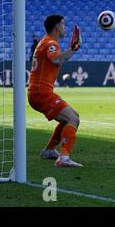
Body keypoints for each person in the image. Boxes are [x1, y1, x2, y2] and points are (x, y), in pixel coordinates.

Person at [28, 15, 83, 167]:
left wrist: (73, 49)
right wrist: (72, 48)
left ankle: (49, 150)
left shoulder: (45, 42)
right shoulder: (51, 43)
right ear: (57, 27)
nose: (65, 27)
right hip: (41, 92)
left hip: (39, 92)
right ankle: (64, 158)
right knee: (73, 120)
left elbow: (57, 59)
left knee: (73, 116)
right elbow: (56, 59)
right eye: (63, 25)